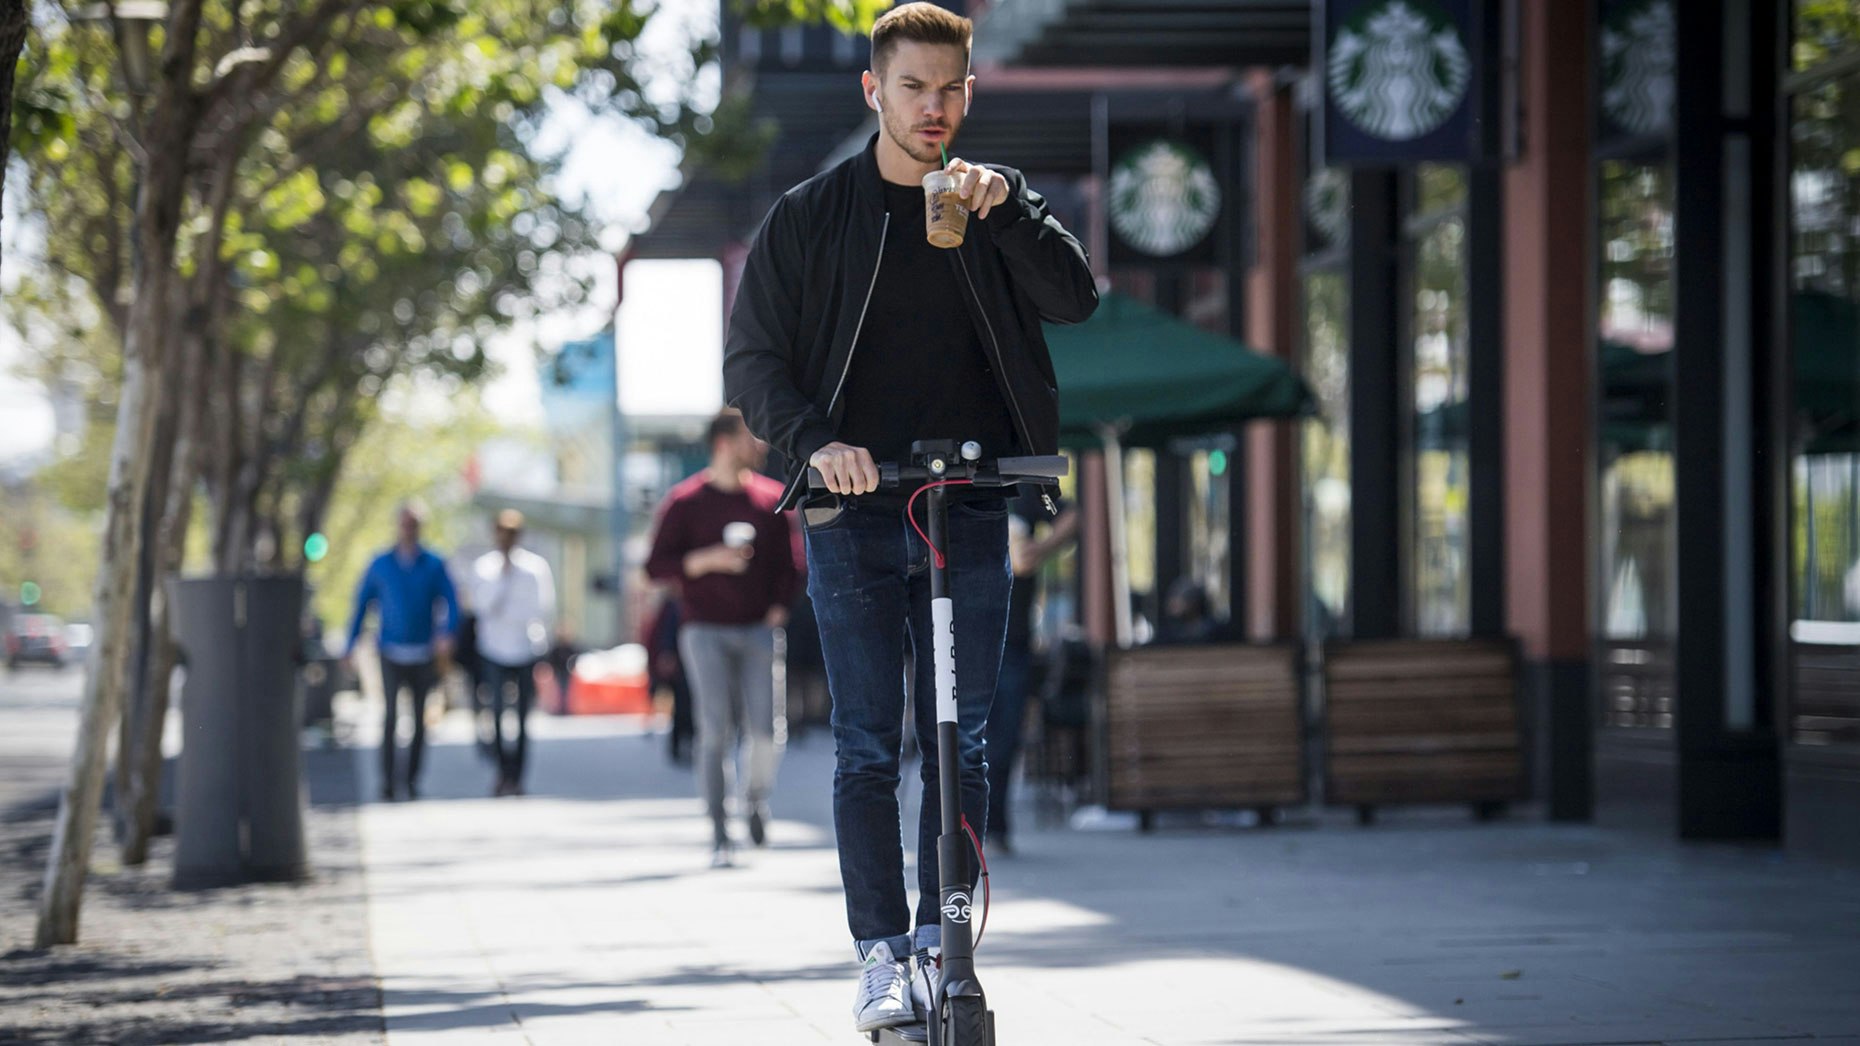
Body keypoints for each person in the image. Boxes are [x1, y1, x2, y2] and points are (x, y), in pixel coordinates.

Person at [720, 3, 1097, 1032]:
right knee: (867, 746)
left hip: (966, 505)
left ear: (971, 92)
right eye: (912, 87)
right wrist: (814, 446)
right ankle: (881, 951)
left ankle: (947, 934)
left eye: (950, 89)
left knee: (964, 739)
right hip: (850, 513)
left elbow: (1076, 299)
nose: (933, 108)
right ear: (873, 92)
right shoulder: (811, 216)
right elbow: (753, 366)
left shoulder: (995, 203)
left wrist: (1011, 210)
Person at [644, 409, 799, 869]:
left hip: (757, 630)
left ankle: (755, 800)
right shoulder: (685, 502)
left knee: (766, 730)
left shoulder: (771, 499)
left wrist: (777, 608)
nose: (763, 445)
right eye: (753, 437)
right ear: (725, 442)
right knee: (715, 730)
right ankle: (718, 828)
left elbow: (791, 568)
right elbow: (655, 568)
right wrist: (705, 560)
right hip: (703, 629)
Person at [344, 501, 460, 802]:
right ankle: (387, 781)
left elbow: (452, 601)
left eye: (414, 525)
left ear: (421, 528)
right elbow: (361, 606)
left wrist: (447, 634)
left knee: (420, 719)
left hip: (423, 653)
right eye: (405, 524)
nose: (409, 530)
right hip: (390, 651)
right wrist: (350, 644)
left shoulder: (434, 563)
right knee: (391, 716)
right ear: (398, 526)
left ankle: (411, 780)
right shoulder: (380, 564)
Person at [985, 494, 1078, 855]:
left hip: (1013, 636)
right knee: (957, 733)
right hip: (955, 631)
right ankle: (959, 827)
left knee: (1004, 734)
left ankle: (994, 826)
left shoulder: (1024, 481)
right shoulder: (948, 471)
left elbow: (1069, 515)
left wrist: (1039, 548)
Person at [470, 509, 556, 797]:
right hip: (493, 649)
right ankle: (500, 772)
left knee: (521, 719)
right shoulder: (485, 568)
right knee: (494, 715)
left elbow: (539, 609)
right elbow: (483, 608)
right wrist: (503, 581)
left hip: (523, 649)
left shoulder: (534, 568)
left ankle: (517, 777)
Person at [642, 591, 695, 764]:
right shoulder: (673, 606)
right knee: (682, 707)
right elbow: (663, 634)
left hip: (688, 662)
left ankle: (688, 744)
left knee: (690, 706)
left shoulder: (686, 603)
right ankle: (680, 746)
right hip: (679, 665)